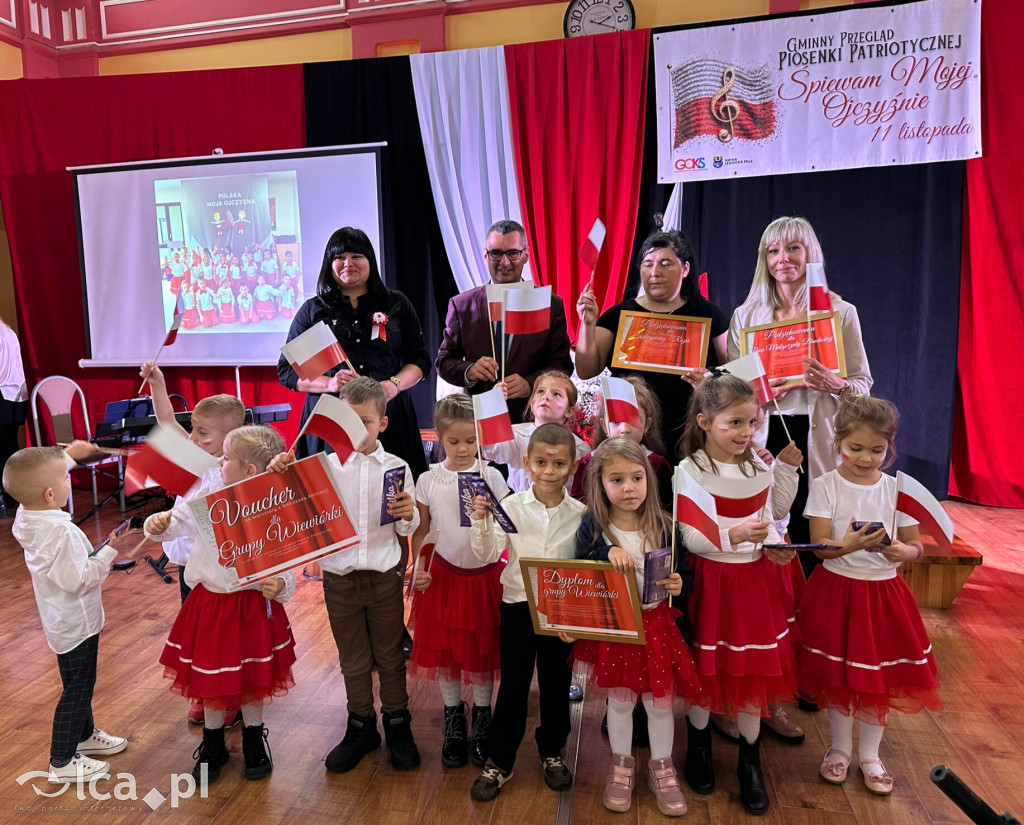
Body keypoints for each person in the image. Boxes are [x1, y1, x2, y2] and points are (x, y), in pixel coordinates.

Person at [272, 377, 422, 773]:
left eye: (365, 422)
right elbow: (287, 503)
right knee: (353, 658)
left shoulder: (397, 467)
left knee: (390, 656)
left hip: (384, 577)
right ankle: (361, 725)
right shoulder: (323, 468)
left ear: (382, 424)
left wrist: (408, 514)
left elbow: (407, 525)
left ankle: (397, 722)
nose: (356, 429)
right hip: (340, 579)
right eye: (348, 421)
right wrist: (280, 471)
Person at [799, 396, 941, 795]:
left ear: (890, 446)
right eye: (855, 448)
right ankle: (840, 749)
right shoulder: (825, 485)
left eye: (877, 450)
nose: (866, 458)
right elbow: (819, 546)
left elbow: (916, 544)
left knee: (876, 677)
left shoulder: (898, 490)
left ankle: (870, 756)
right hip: (837, 590)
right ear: (838, 442)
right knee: (839, 675)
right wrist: (847, 545)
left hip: (883, 594)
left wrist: (905, 552)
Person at [145, 426, 296, 783]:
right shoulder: (210, 493)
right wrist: (158, 523)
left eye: (226, 457)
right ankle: (212, 742)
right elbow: (176, 523)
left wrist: (282, 584)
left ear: (249, 470)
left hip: (253, 605)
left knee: (253, 677)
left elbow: (286, 555)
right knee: (212, 677)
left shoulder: (272, 505)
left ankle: (254, 738)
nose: (219, 462)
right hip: (212, 603)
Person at [676, 375, 797, 816]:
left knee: (751, 673)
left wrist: (775, 546)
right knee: (706, 668)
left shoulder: (757, 469)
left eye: (752, 422)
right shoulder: (689, 471)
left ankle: (750, 760)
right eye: (735, 423)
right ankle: (699, 747)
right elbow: (690, 537)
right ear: (706, 422)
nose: (747, 432)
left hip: (752, 583)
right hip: (710, 582)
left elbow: (771, 518)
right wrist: (735, 535)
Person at [728, 216, 873, 565]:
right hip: (762, 437)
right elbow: (732, 393)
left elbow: (863, 386)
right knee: (765, 535)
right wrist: (756, 393)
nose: (783, 258)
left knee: (815, 537)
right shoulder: (746, 317)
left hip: (820, 436)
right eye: (773, 251)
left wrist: (837, 386)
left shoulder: (840, 313)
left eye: (793, 248)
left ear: (811, 254)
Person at [571, 438, 702, 816]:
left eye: (636, 478)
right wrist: (605, 552)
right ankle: (621, 765)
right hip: (617, 630)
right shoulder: (594, 526)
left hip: (657, 625)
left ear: (649, 480)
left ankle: (662, 767)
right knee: (620, 701)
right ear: (601, 484)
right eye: (617, 480)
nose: (628, 488)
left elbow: (685, 576)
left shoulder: (665, 525)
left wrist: (679, 583)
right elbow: (579, 571)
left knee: (660, 705)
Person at [468, 424, 585, 802]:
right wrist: (481, 520)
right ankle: (500, 760)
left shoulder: (581, 514)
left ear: (572, 466)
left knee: (556, 685)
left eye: (558, 463)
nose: (549, 471)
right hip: (518, 607)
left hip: (560, 615)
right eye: (541, 463)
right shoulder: (512, 507)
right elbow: (487, 553)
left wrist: (578, 618)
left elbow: (586, 567)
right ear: (526, 463)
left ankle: (552, 751)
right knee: (514, 686)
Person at [4, 442, 127, 782]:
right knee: (78, 689)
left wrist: (69, 457)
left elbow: (41, 479)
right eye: (65, 478)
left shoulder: (26, 517)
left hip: (59, 622)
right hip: (78, 623)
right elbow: (79, 580)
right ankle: (61, 760)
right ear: (49, 494)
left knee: (77, 681)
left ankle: (84, 736)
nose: (68, 481)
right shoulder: (62, 532)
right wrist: (109, 551)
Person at [138, 363, 245, 725]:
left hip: (224, 567)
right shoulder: (193, 455)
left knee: (226, 636)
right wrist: (159, 385)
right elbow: (167, 424)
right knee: (199, 633)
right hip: (190, 565)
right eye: (194, 429)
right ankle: (208, 691)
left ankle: (230, 695)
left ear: (231, 438)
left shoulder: (235, 469)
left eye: (202, 432)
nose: (194, 437)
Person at [277, 227, 430, 477]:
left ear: (370, 260)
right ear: (329, 263)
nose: (348, 263)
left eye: (356, 256)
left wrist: (392, 386)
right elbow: (286, 371)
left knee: (394, 492)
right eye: (339, 257)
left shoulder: (396, 303)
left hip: (388, 416)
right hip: (331, 419)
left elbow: (420, 360)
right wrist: (328, 383)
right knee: (330, 492)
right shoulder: (313, 310)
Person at [409, 394, 510, 768]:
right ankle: (453, 716)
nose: (464, 448)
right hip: (443, 578)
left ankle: (483, 717)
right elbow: (423, 529)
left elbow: (506, 526)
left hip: (485, 578)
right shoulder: (428, 479)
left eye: (471, 440)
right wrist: (418, 567)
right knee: (447, 653)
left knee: (482, 652)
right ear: (439, 436)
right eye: (454, 441)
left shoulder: (491, 475)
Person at [576, 230, 730, 460]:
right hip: (629, 435)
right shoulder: (618, 314)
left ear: (685, 268)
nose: (655, 272)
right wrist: (587, 325)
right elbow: (586, 369)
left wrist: (710, 379)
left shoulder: (709, 314)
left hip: (688, 435)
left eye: (665, 264)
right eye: (647, 264)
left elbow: (731, 374)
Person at [435, 219, 573, 423]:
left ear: (525, 255)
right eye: (496, 253)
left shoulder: (550, 304)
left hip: (532, 420)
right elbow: (444, 361)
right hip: (481, 420)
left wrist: (531, 384)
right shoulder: (461, 305)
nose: (505, 262)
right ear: (485, 255)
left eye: (513, 253)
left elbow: (562, 364)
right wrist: (470, 370)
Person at [571, 374, 672, 508]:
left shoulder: (656, 464)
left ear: (647, 425)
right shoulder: (588, 463)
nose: (624, 429)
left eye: (633, 420)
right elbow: (577, 508)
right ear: (604, 425)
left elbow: (668, 510)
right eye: (616, 422)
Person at [481, 371, 591, 494]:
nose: (546, 397)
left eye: (556, 394)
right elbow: (491, 452)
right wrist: (493, 404)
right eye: (541, 391)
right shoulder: (516, 434)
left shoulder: (579, 447)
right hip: (520, 503)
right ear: (532, 403)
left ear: (569, 411)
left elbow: (583, 487)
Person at [0, 315, 28, 516]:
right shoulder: (9, 332)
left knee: (5, 449)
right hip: (16, 397)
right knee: (9, 447)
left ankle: (9, 496)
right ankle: (15, 495)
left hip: (3, 394)